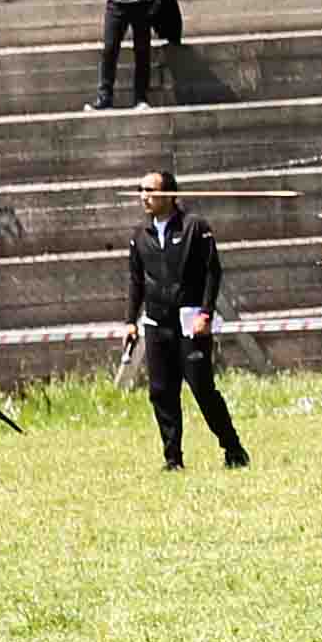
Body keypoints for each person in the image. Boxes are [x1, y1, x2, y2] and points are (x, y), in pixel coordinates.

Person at [125, 168, 250, 470]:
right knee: (161, 392)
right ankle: (173, 459)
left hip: (190, 322)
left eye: (151, 190)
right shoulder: (140, 235)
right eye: (141, 190)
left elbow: (212, 272)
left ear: (170, 195)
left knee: (202, 388)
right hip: (156, 324)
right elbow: (136, 280)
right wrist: (130, 320)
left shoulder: (196, 227)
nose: (144, 196)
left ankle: (233, 449)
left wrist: (205, 313)